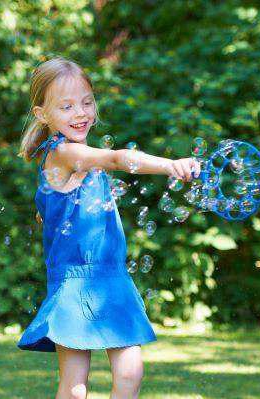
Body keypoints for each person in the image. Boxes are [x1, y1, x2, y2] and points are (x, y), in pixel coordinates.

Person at [17, 56, 200, 399]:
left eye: (87, 102)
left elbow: (48, 208)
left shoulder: (72, 156)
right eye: (67, 106)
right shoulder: (65, 153)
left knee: (130, 370)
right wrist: (170, 165)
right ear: (43, 114)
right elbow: (117, 159)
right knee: (74, 387)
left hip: (111, 275)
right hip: (75, 279)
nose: (81, 112)